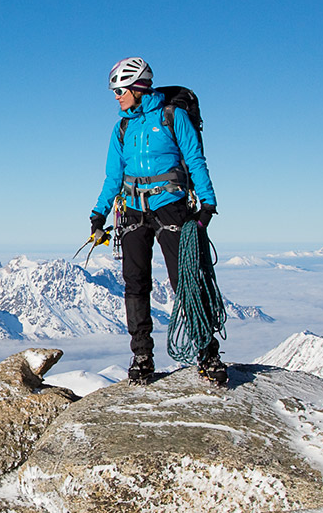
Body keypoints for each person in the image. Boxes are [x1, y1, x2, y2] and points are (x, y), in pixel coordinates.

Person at [90, 57, 225, 385]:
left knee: (187, 281)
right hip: (132, 210)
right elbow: (114, 175)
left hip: (171, 207)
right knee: (135, 283)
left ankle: (207, 353)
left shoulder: (172, 116)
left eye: (120, 90)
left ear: (138, 87)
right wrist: (98, 214)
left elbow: (194, 159)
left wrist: (208, 203)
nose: (116, 97)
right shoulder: (122, 127)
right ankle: (141, 356)